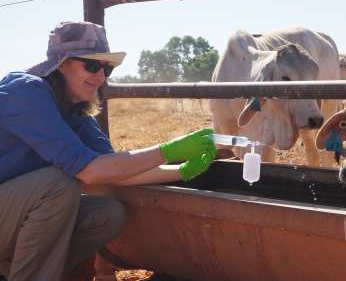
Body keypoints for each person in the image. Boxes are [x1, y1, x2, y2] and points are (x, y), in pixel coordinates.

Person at [0, 21, 217, 281]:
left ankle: (11, 271)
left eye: (107, 68)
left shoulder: (76, 113)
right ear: (62, 63)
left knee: (106, 216)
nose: (100, 76)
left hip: (10, 218)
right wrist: (167, 150)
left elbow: (116, 171)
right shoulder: (25, 91)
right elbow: (90, 171)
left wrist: (182, 170)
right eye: (92, 65)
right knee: (59, 184)